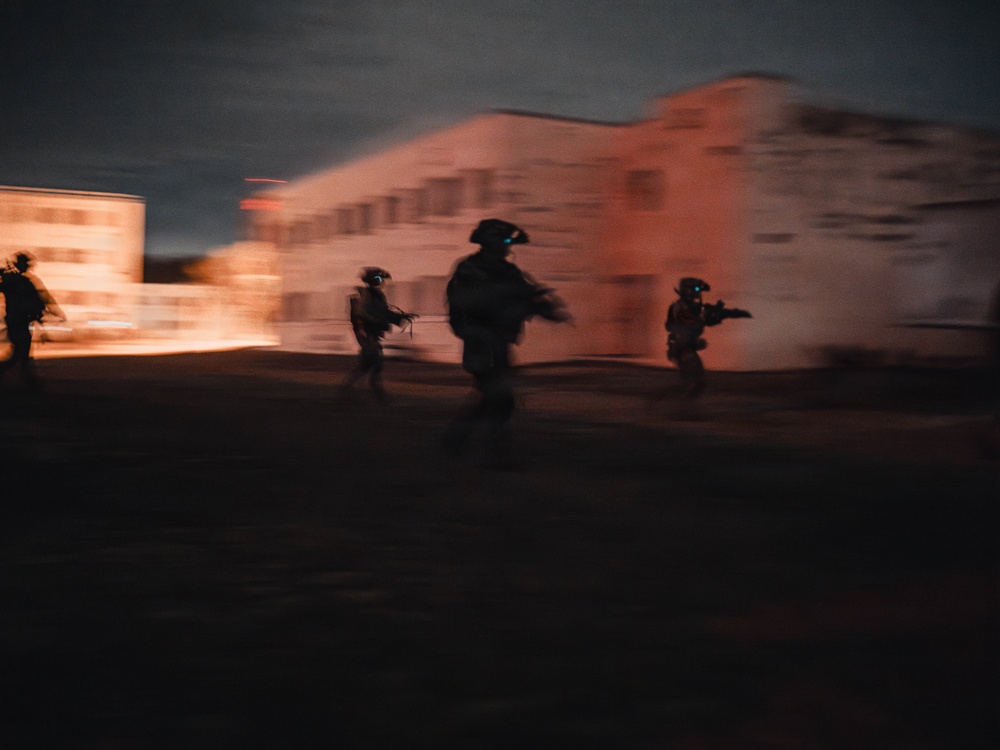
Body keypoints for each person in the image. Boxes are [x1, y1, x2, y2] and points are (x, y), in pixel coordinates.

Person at [443, 218, 570, 465]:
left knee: (489, 398)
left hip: (500, 343)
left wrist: (546, 309)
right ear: (489, 243)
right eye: (503, 242)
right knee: (501, 399)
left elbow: (527, 298)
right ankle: (495, 452)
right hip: (480, 343)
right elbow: (465, 306)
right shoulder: (469, 269)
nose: (507, 248)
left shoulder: (509, 272)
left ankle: (455, 442)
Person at [664, 277, 751, 398]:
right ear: (687, 291)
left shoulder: (695, 308)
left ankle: (681, 407)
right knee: (691, 381)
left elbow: (708, 317)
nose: (698, 294)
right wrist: (705, 316)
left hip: (689, 348)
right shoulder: (679, 308)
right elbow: (691, 321)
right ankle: (671, 405)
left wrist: (733, 313)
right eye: (695, 290)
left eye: (698, 291)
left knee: (699, 383)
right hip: (680, 349)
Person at [341, 267, 415, 399]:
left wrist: (400, 317)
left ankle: (350, 388)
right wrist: (371, 326)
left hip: (372, 333)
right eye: (379, 279)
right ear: (372, 280)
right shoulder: (364, 295)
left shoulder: (378, 296)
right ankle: (370, 388)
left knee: (369, 362)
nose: (382, 282)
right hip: (366, 333)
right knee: (374, 359)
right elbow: (363, 314)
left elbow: (384, 313)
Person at [0, 252, 65, 389]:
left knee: (20, 353)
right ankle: (30, 382)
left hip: (17, 322)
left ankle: (29, 381)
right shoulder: (20, 281)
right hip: (18, 322)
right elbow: (42, 299)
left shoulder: (13, 280)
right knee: (21, 353)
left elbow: (41, 299)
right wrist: (54, 313)